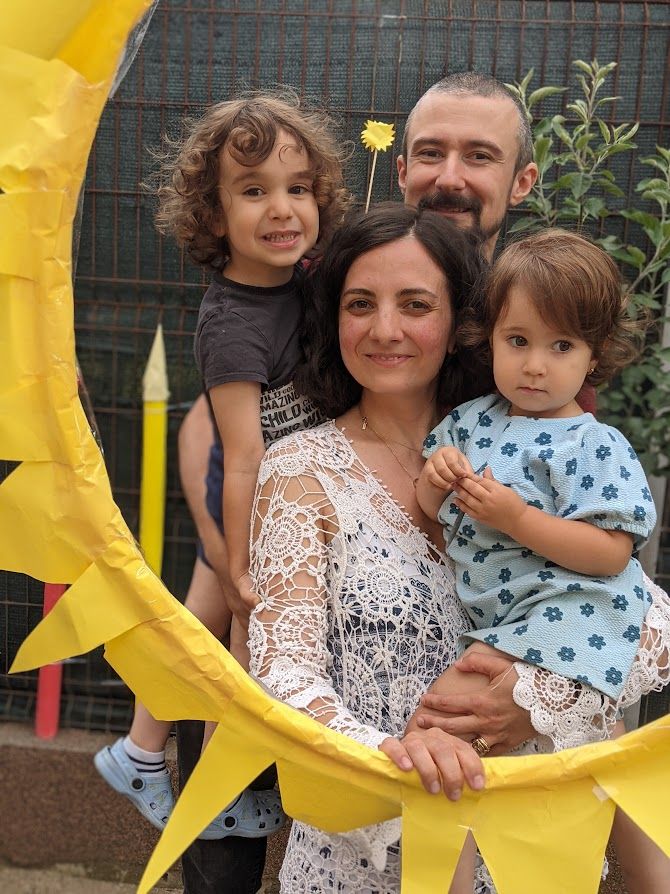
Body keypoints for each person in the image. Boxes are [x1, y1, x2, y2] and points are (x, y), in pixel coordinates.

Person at [248, 202, 527, 893]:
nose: (385, 329)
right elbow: (283, 675)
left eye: (415, 304)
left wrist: (533, 700)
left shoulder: (526, 454)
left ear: (460, 325)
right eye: (360, 304)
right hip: (359, 858)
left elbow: (644, 626)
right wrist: (401, 756)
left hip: (515, 847)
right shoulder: (301, 471)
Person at [94, 91, 349, 845]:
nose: (283, 208)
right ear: (212, 214)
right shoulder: (233, 323)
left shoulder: (299, 280)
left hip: (271, 487)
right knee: (240, 644)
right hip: (250, 496)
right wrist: (240, 563)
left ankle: (141, 752)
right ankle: (220, 795)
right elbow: (241, 457)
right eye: (254, 191)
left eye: (298, 188)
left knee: (198, 626)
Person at [413, 228, 670, 892]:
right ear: (490, 339)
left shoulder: (594, 445)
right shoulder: (469, 421)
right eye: (518, 341)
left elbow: (611, 554)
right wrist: (435, 479)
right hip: (513, 621)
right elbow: (425, 506)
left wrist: (517, 519)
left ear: (594, 355)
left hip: (575, 612)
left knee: (435, 731)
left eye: (561, 347)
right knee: (600, 757)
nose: (535, 366)